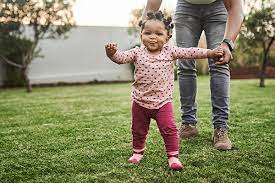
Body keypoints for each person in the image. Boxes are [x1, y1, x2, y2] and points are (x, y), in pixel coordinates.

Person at [105, 11, 223, 170]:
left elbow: (190, 52)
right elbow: (121, 58)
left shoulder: (170, 51)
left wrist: (209, 53)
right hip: (140, 102)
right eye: (147, 33)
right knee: (138, 129)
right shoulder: (137, 52)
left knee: (169, 129)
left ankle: (173, 157)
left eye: (158, 33)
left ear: (167, 37)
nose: (152, 37)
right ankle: (137, 152)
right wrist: (111, 54)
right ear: (141, 35)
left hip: (162, 103)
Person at [143, 0, 244, 150]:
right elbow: (152, 4)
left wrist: (227, 43)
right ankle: (188, 123)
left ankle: (220, 127)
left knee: (220, 61)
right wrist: (143, 39)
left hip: (219, 6)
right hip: (186, 7)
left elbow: (236, 7)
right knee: (185, 64)